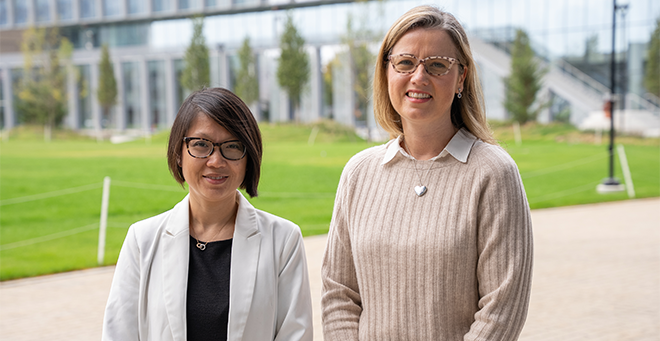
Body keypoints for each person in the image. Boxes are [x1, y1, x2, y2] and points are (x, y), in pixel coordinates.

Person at [321, 6, 533, 341]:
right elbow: (339, 294)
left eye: (437, 65)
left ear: (461, 76)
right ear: (386, 72)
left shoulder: (493, 173)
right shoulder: (358, 173)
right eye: (405, 63)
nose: (419, 77)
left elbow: (501, 310)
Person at [103, 87, 313, 341]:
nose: (216, 161)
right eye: (201, 145)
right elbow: (119, 334)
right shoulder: (142, 240)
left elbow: (295, 335)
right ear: (179, 154)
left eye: (232, 146)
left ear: (249, 158)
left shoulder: (283, 241)